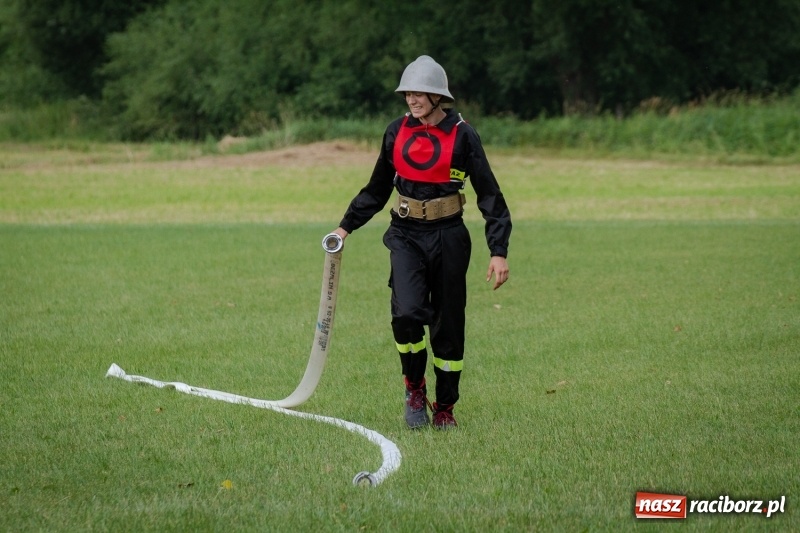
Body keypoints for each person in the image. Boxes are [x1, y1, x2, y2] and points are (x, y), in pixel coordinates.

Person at [330, 55, 511, 430]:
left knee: (447, 327)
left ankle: (444, 407)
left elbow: (489, 194)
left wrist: (498, 250)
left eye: (419, 93)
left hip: (449, 237)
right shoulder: (396, 132)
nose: (412, 100)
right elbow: (378, 188)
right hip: (406, 234)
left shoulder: (463, 135)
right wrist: (344, 228)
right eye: (408, 93)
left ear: (437, 97)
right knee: (407, 314)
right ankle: (414, 386)